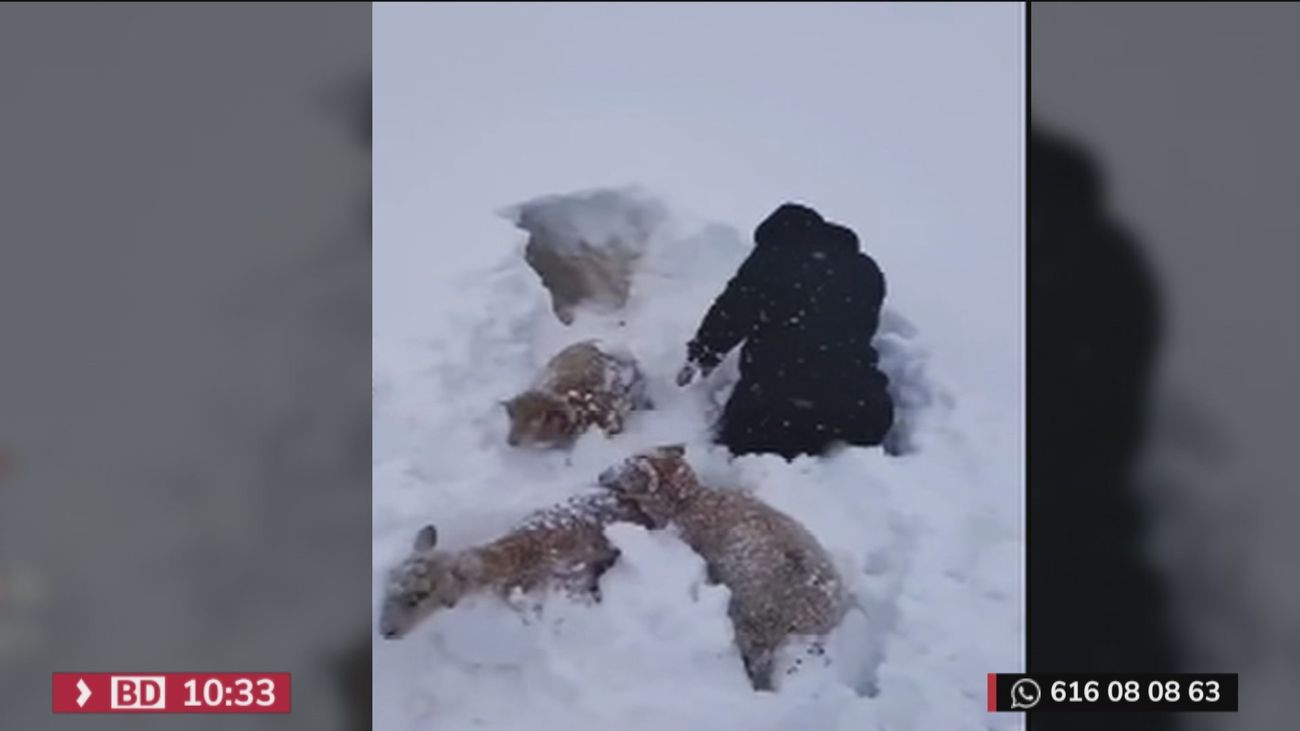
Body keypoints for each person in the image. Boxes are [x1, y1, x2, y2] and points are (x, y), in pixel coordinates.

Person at [677, 203, 894, 459]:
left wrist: (700, 357)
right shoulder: (866, 271)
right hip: (862, 410)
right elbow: (851, 330)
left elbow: (731, 313)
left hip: (777, 407)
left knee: (728, 460)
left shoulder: (776, 254)